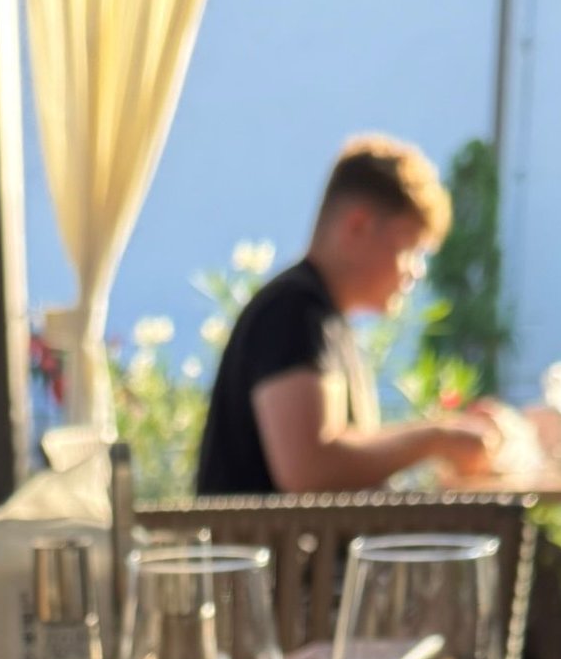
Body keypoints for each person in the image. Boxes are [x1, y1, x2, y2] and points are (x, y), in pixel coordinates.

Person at [196, 134, 498, 496]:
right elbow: (309, 470)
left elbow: (344, 458)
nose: (416, 272)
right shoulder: (292, 311)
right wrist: (436, 439)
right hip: (266, 554)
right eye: (410, 248)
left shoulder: (321, 316)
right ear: (357, 226)